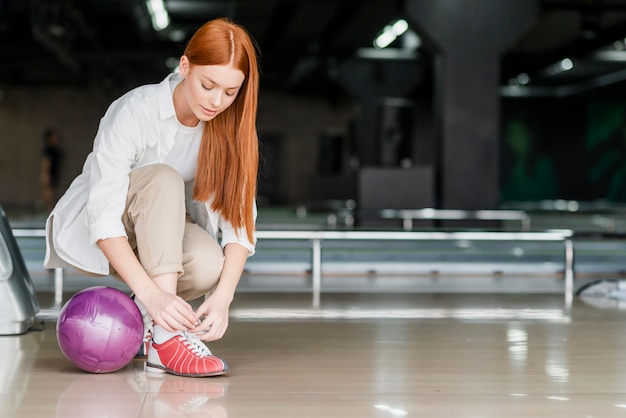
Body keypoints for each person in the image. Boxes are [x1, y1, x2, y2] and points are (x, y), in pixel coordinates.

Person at [44, 18, 260, 378]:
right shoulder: (136, 110)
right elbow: (103, 216)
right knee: (164, 177)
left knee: (210, 263)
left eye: (230, 92)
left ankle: (144, 326)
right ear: (185, 66)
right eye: (208, 85)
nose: (217, 101)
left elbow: (239, 220)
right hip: (103, 234)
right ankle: (165, 338)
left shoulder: (232, 129)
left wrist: (223, 298)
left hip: (160, 238)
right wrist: (152, 294)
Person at [39, 128, 63, 212]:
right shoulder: (48, 150)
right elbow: (46, 162)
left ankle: (48, 207)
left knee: (51, 191)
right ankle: (46, 206)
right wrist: (45, 174)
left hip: (54, 173)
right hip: (50, 173)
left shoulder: (55, 149)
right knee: (49, 191)